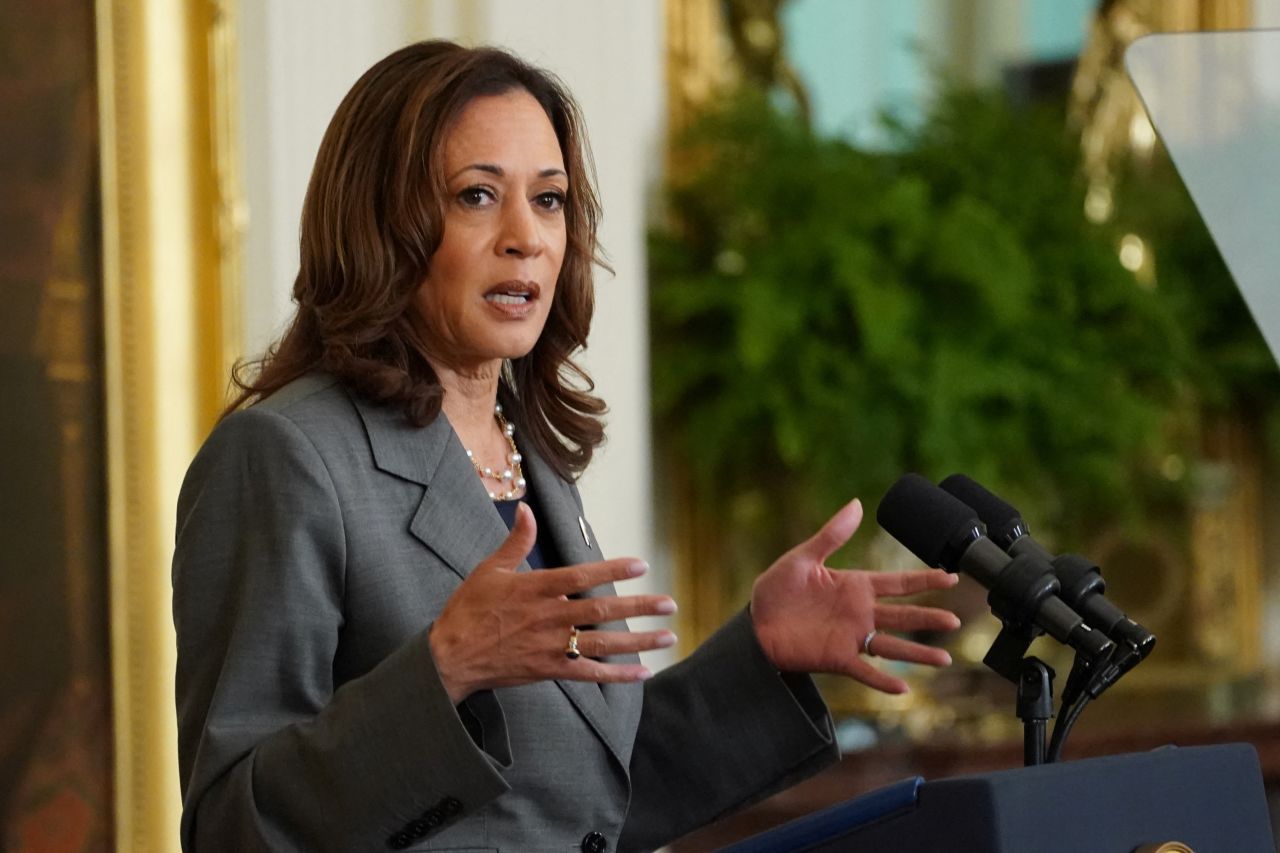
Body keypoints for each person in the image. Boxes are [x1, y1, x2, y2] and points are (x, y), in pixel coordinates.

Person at [172, 40, 960, 853]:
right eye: (477, 196)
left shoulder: (530, 454)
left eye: (549, 201)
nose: (527, 238)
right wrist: (441, 673)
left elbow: (582, 806)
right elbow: (233, 825)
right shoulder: (284, 455)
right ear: (383, 223)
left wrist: (758, 654)